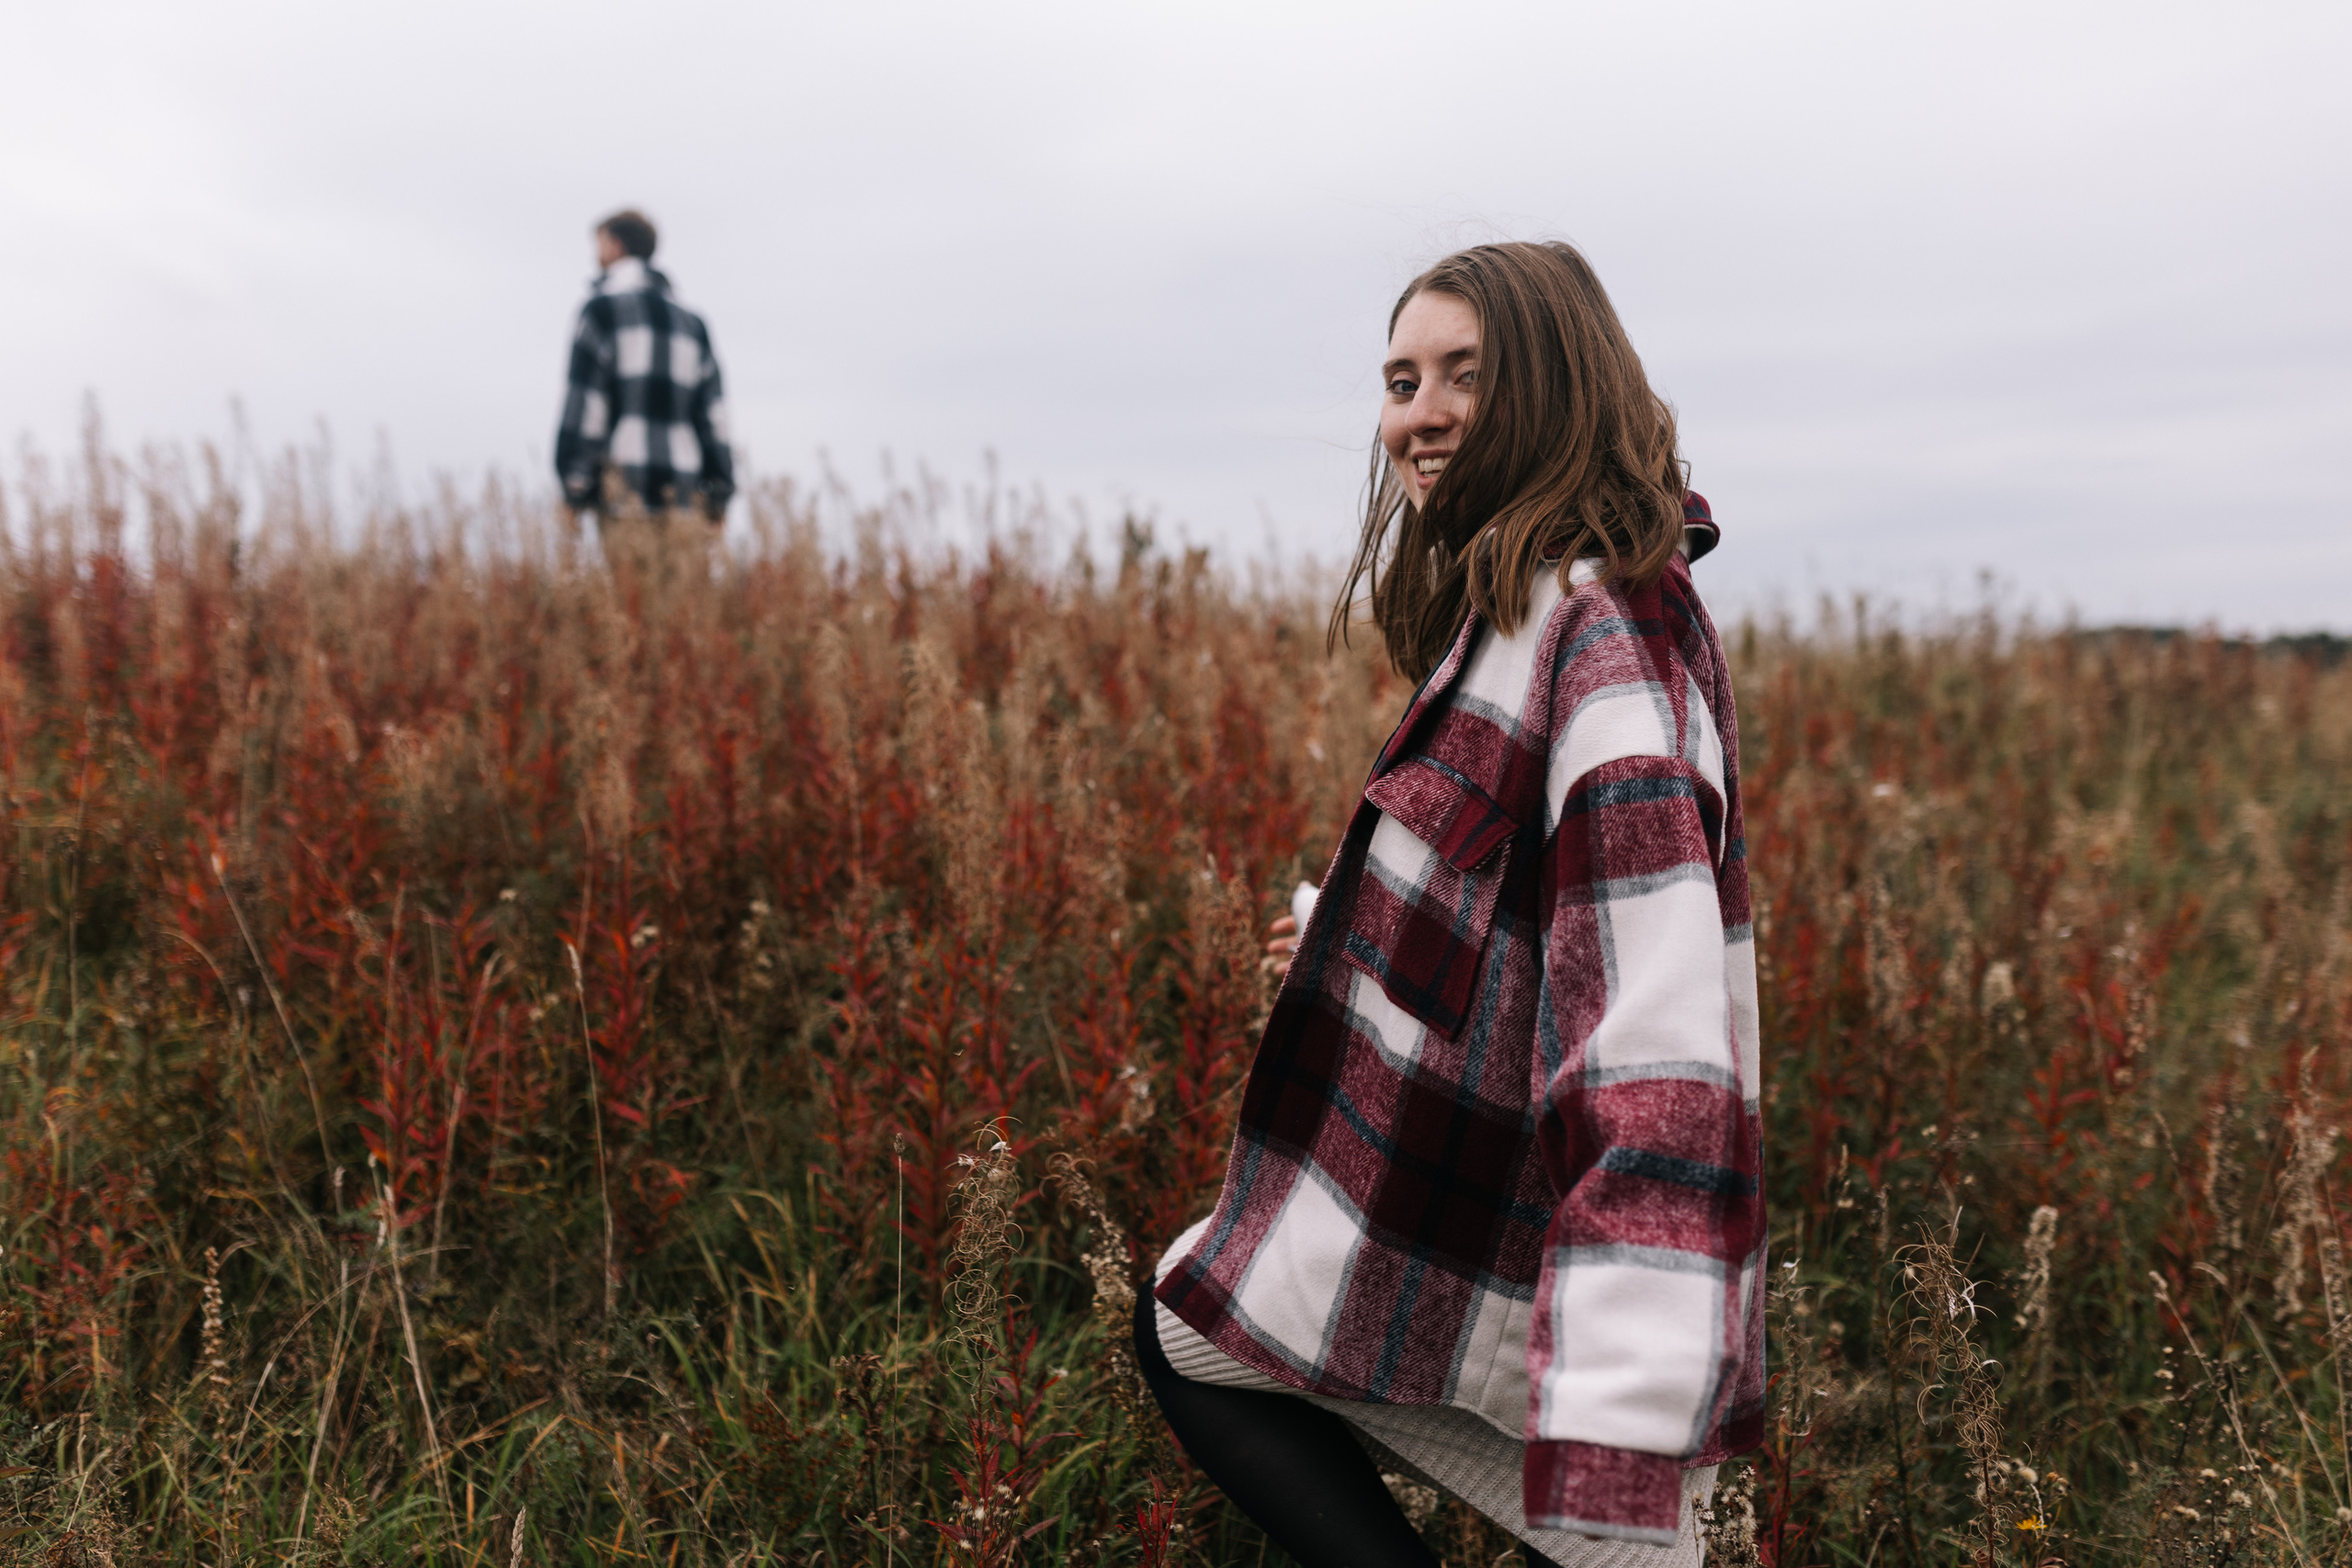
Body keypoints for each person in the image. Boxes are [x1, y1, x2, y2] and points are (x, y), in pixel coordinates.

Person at [1141, 242, 1762, 1566]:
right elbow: (1523, 899)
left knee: (1196, 1327)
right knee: (1196, 1318)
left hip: (1562, 1276)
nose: (1416, 412)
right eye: (1400, 378)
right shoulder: (1521, 606)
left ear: (1552, 383)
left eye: (1461, 376)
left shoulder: (1599, 639)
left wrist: (1620, 1414)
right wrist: (1346, 928)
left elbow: (1659, 1041)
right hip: (1473, 1223)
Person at [553, 209, 735, 567]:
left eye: (600, 245)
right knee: (680, 618)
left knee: (630, 614)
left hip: (624, 495)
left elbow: (585, 407)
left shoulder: (601, 312)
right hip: (685, 497)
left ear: (615, 245)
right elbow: (714, 416)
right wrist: (720, 492)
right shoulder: (692, 323)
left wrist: (574, 488)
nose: (596, 255)